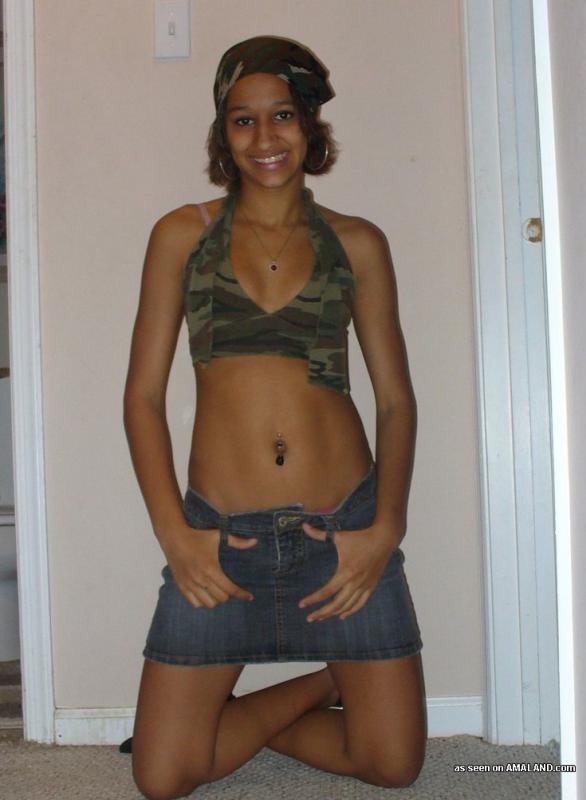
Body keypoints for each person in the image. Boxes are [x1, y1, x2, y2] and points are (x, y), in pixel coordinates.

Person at [122, 35, 427, 798]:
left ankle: (277, 700)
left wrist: (385, 527)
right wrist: (173, 533)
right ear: (223, 134)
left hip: (343, 530)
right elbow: (143, 399)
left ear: (310, 123)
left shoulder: (358, 243)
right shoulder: (181, 236)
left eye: (282, 115)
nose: (265, 137)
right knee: (161, 777)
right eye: (243, 119)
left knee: (393, 764)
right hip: (222, 538)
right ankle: (326, 681)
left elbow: (395, 400)